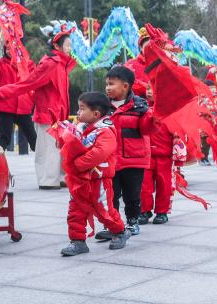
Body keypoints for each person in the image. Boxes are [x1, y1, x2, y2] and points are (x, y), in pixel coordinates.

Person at [0, 25, 76, 189]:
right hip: (48, 113)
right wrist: (5, 92)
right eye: (67, 45)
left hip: (59, 114)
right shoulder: (50, 64)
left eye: (70, 45)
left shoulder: (62, 64)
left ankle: (59, 177)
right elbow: (28, 83)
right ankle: (47, 180)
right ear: (57, 46)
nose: (70, 48)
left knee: (59, 147)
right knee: (47, 149)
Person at [58, 92, 130, 255]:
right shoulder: (81, 128)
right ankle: (77, 241)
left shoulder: (105, 131)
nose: (78, 112)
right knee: (75, 210)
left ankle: (119, 231)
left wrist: (77, 164)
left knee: (104, 210)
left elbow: (99, 152)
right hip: (81, 179)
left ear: (96, 114)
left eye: (82, 108)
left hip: (99, 180)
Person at [97, 65, 152, 240]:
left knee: (132, 194)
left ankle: (132, 221)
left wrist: (152, 117)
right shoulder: (101, 106)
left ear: (125, 86)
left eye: (111, 84)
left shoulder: (140, 106)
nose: (107, 88)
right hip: (110, 160)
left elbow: (146, 130)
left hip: (133, 159)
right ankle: (114, 224)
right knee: (111, 194)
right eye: (106, 84)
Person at [0, 37, 36, 152]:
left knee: (34, 139)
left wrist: (33, 98)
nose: (10, 52)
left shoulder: (28, 65)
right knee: (4, 139)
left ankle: (44, 166)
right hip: (5, 107)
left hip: (24, 107)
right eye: (7, 49)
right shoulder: (1, 64)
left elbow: (37, 80)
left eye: (13, 49)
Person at [138, 84, 174, 225]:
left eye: (153, 88)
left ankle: (162, 211)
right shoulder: (141, 107)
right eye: (147, 88)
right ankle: (144, 210)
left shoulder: (170, 110)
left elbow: (177, 131)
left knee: (164, 184)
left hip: (164, 154)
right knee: (143, 184)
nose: (149, 91)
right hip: (145, 153)